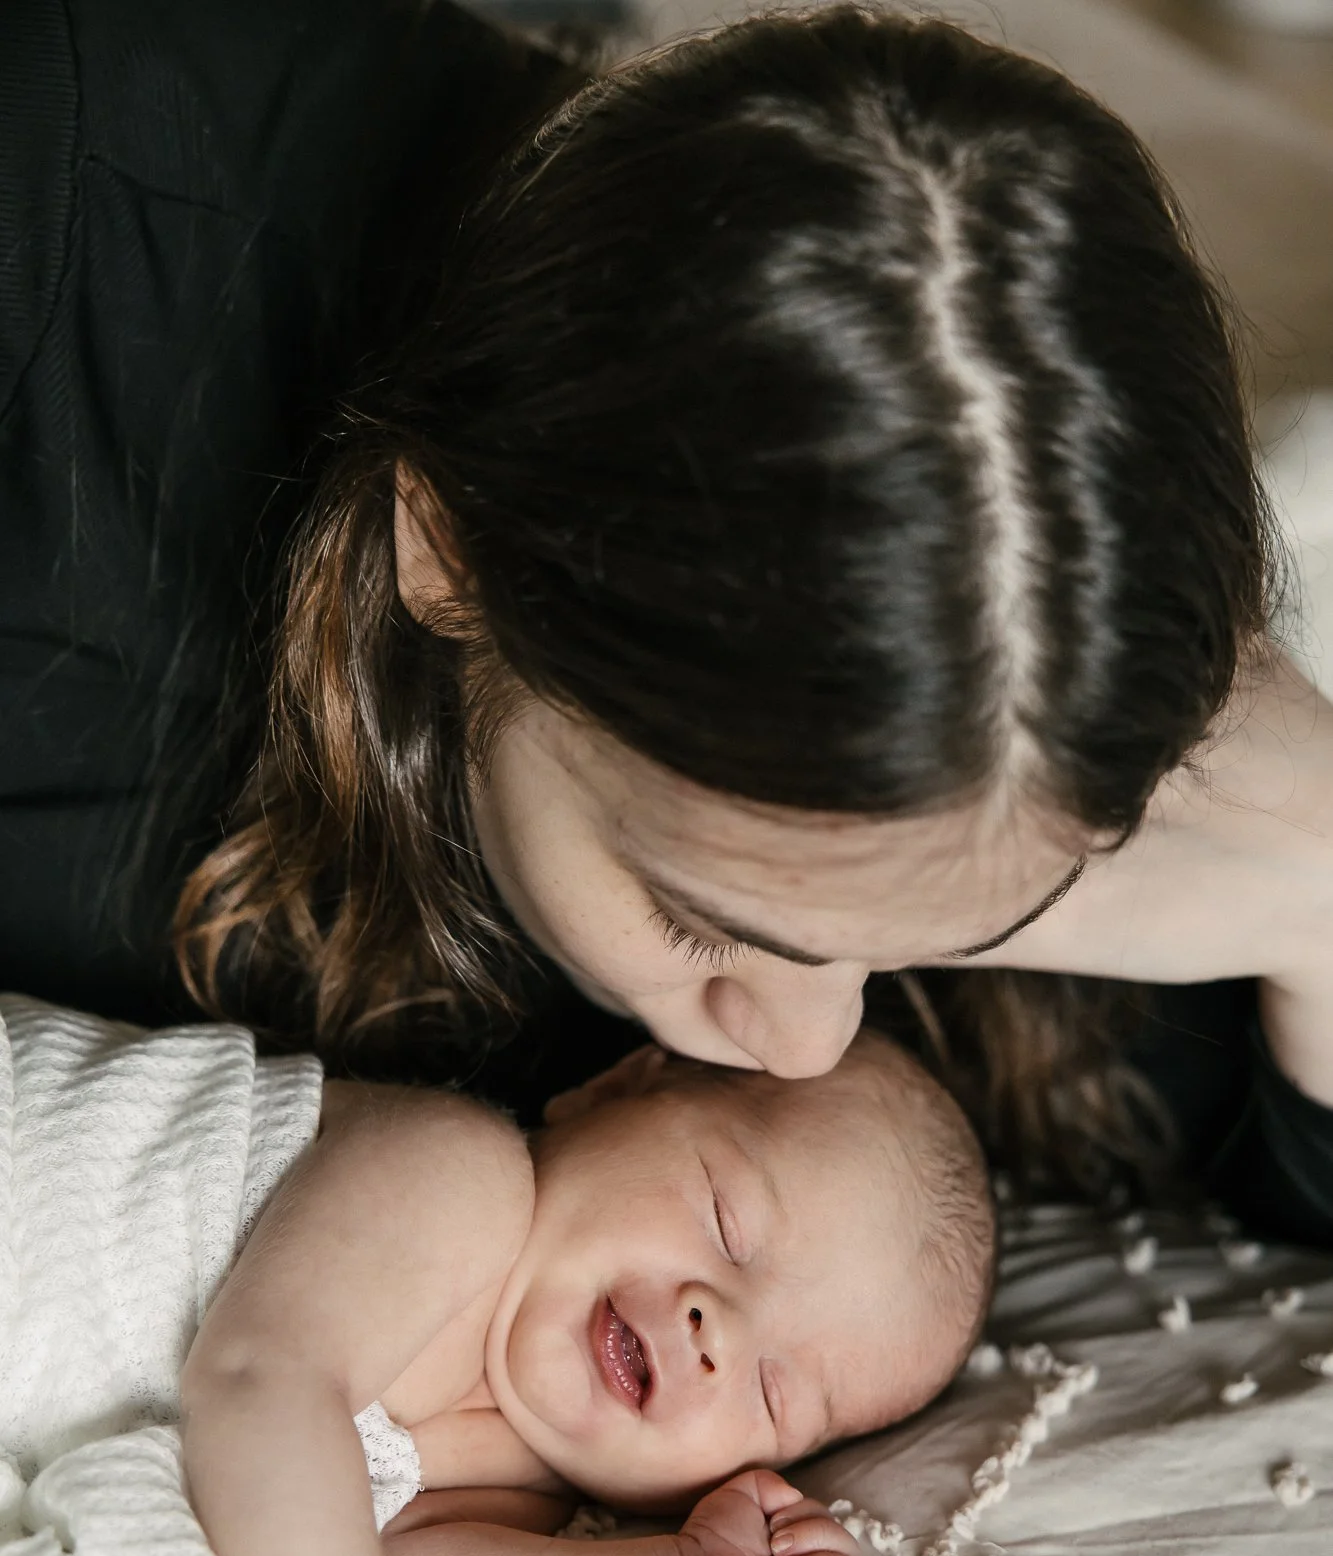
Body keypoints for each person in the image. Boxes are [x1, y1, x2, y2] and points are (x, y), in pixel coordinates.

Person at [5, 0, 1331, 1238]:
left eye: (945, 940)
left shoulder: (1007, 709)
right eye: (698, 923)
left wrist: (1318, 857)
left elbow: (1260, 1178)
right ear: (443, 554)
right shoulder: (59, 211)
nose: (806, 1049)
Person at [178, 1023, 993, 1556]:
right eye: (727, 1219)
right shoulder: (457, 1177)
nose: (714, 1331)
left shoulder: (515, 1489)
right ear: (613, 1089)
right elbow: (261, 1379)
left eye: (773, 1395)